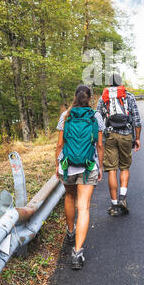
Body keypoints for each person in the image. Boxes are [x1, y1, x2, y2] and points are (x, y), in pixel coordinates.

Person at [55, 85, 104, 270]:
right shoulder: (95, 116)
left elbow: (60, 144)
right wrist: (100, 167)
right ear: (90, 98)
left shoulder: (66, 115)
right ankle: (77, 253)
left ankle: (70, 232)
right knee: (83, 207)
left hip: (68, 165)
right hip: (88, 165)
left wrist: (57, 165)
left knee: (69, 196)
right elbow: (99, 145)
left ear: (75, 96)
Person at [97, 73, 142, 216]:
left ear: (110, 84)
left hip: (110, 136)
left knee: (111, 169)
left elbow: (98, 119)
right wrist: (138, 138)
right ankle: (123, 198)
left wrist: (99, 139)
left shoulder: (103, 98)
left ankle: (114, 204)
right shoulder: (128, 96)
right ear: (121, 83)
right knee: (124, 167)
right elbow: (137, 120)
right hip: (126, 135)